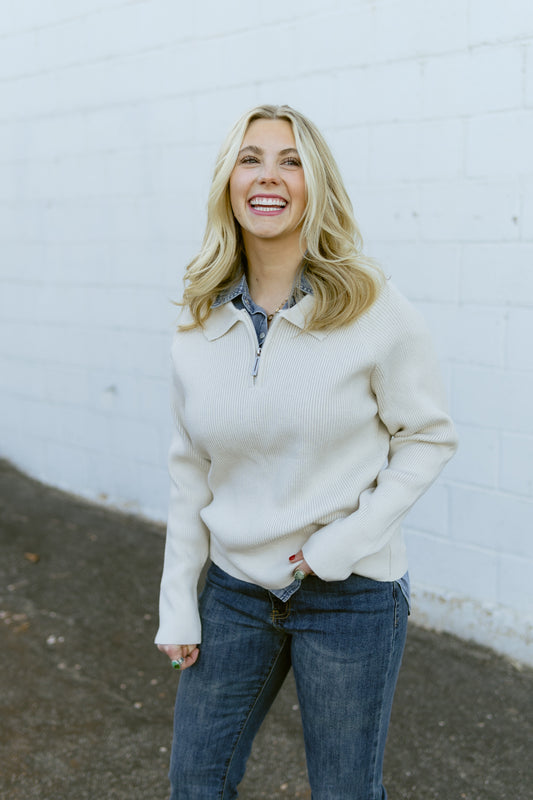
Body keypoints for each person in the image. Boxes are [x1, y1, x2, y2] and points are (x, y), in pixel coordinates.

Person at [155, 104, 457, 799]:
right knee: (195, 785)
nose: (269, 176)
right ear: (228, 181)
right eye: (251, 158)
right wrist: (178, 601)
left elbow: (428, 437)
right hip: (233, 592)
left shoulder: (372, 304)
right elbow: (189, 469)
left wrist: (343, 543)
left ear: (315, 182)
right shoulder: (196, 322)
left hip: (350, 596)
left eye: (290, 160)